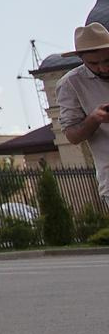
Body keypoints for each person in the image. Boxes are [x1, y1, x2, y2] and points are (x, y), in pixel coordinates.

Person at [55, 21, 109, 200]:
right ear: (81, 58)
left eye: (107, 60)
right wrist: (94, 119)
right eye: (94, 63)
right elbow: (72, 136)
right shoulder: (71, 84)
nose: (103, 68)